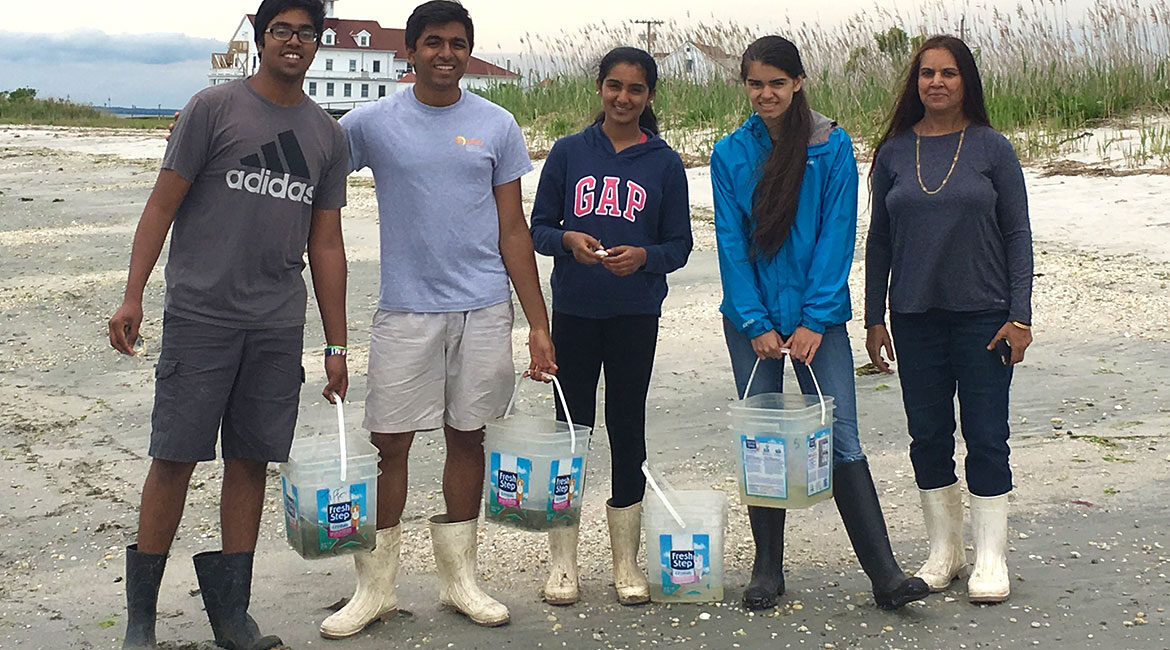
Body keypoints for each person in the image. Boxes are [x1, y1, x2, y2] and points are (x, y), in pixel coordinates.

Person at [107, 0, 349, 648]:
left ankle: (233, 620)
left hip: (275, 325)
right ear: (260, 38)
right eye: (281, 31)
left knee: (250, 461)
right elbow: (161, 205)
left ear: (318, 42)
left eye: (305, 32)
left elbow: (327, 245)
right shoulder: (211, 109)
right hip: (200, 315)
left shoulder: (329, 134)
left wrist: (336, 343)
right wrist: (132, 295)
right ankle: (140, 621)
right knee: (174, 457)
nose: (293, 42)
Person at [318, 0, 557, 637]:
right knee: (389, 444)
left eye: (456, 43)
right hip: (404, 310)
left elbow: (513, 229)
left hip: (483, 307)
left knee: (467, 437)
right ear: (411, 50)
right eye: (432, 43)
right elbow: (315, 175)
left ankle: (460, 580)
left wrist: (537, 323)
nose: (444, 54)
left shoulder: (497, 124)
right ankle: (376, 587)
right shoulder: (370, 123)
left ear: (467, 52)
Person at [711, 35, 930, 612]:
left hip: (819, 320)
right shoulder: (730, 152)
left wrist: (813, 319)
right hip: (751, 322)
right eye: (755, 83)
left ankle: (885, 577)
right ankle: (767, 570)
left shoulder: (831, 147)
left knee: (841, 436)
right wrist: (755, 321)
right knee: (762, 438)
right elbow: (730, 245)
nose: (766, 94)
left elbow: (838, 235)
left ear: (798, 82)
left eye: (777, 83)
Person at [865, 35, 1033, 604]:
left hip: (984, 316)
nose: (937, 82)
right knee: (927, 436)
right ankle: (945, 551)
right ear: (916, 83)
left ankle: (990, 556)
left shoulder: (993, 148)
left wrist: (1021, 315)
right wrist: (872, 317)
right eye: (927, 73)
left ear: (967, 82)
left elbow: (1018, 235)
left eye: (949, 73)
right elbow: (879, 242)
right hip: (913, 316)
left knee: (987, 436)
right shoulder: (892, 153)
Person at [529, 47, 693, 606]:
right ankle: (564, 563)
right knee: (569, 433)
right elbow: (539, 229)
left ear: (650, 96)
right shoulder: (570, 152)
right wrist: (568, 241)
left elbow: (680, 245)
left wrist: (643, 258)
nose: (624, 98)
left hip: (634, 315)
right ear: (598, 87)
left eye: (636, 90)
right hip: (574, 311)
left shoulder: (665, 163)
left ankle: (626, 563)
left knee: (628, 429)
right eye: (614, 86)